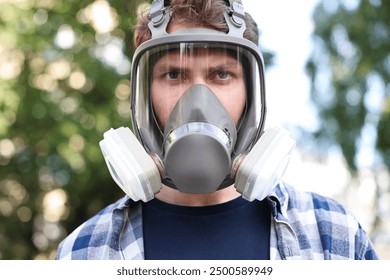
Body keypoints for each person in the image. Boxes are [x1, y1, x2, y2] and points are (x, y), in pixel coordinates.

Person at [55, 0, 378, 260]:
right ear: (142, 96)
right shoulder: (83, 251)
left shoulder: (334, 235)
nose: (197, 101)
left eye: (222, 74)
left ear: (252, 92)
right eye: (173, 75)